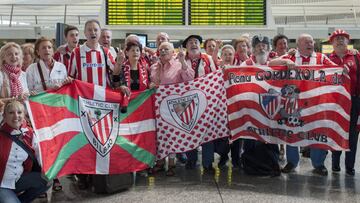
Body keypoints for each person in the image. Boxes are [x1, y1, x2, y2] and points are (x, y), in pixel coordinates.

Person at [277, 33, 336, 176]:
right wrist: (284, 62)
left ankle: (319, 164)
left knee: (317, 132)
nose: (311, 44)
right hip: (294, 104)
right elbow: (270, 64)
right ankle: (292, 162)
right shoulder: (290, 57)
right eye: (307, 42)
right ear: (298, 45)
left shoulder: (321, 58)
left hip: (316, 104)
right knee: (292, 132)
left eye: (311, 42)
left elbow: (336, 69)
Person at [149, 42, 195, 176]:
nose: (163, 51)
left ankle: (172, 163)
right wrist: (151, 85)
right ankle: (160, 162)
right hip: (156, 106)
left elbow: (190, 78)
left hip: (175, 107)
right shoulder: (153, 67)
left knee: (171, 135)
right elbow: (149, 83)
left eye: (166, 49)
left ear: (172, 51)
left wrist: (183, 62)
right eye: (161, 49)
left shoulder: (179, 64)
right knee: (159, 134)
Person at [0, 101, 49, 203]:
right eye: (11, 112)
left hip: (19, 180)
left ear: (24, 115)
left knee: (48, 179)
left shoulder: (29, 133)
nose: (16, 116)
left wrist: (50, 169)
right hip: (2, 184)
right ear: (4, 116)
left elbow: (40, 154)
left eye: (19, 112)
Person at [182, 34, 217, 172]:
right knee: (189, 131)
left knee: (207, 133)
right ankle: (191, 160)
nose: (193, 44)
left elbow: (215, 75)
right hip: (187, 101)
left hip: (206, 101)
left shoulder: (207, 59)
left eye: (196, 42)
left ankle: (208, 163)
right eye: (190, 42)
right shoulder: (180, 59)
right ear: (186, 47)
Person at [328, 29, 360, 176]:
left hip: (354, 100)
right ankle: (335, 165)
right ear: (332, 42)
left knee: (353, 134)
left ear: (348, 41)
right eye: (337, 38)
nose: (340, 40)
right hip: (335, 101)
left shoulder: (357, 56)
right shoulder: (327, 59)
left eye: (343, 38)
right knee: (336, 131)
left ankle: (350, 166)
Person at [69, 19, 121, 88]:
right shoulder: (76, 52)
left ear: (99, 33)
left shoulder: (106, 52)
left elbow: (115, 72)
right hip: (83, 95)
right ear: (85, 33)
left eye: (95, 30)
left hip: (102, 95)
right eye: (89, 30)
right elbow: (70, 76)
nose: (93, 32)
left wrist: (119, 63)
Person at [0, 42, 29, 122]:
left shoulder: (23, 74)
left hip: (21, 118)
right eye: (9, 54)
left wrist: (29, 96)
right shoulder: (1, 74)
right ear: (3, 58)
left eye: (16, 54)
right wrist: (15, 99)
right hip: (3, 119)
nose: (14, 57)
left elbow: (25, 96)